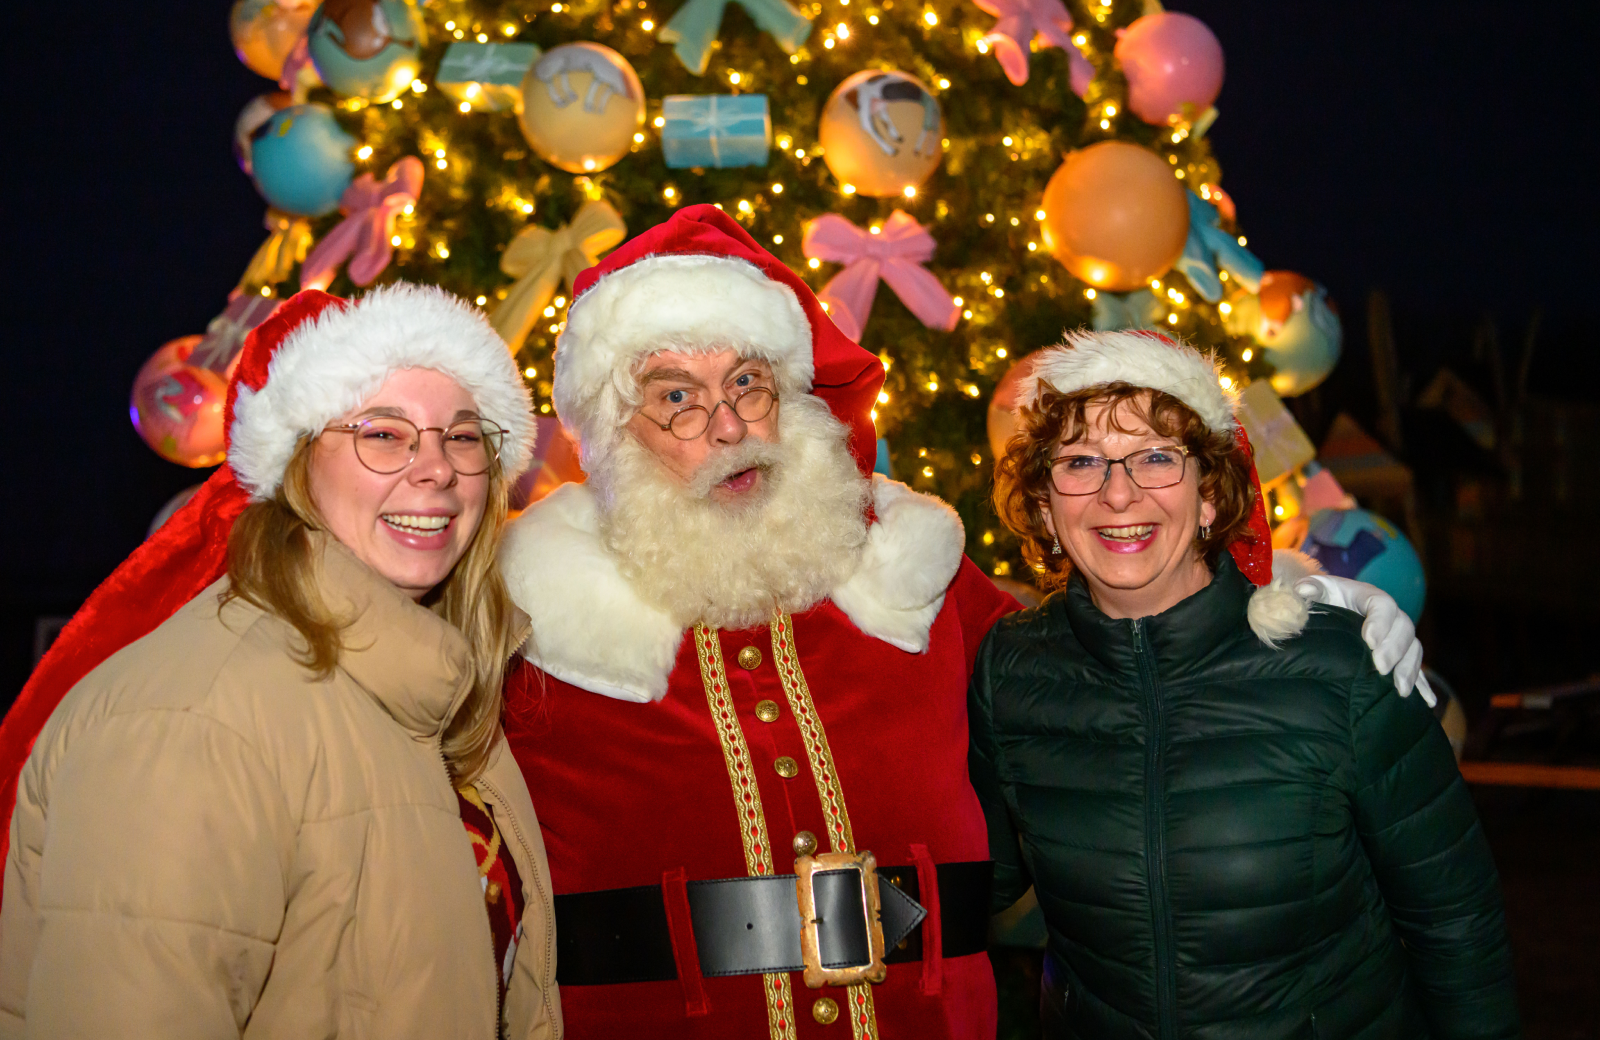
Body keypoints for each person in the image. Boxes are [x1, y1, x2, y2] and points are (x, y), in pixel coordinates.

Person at [495, 205, 1429, 1040]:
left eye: (749, 383)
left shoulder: (908, 571)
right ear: (609, 429)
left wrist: (1291, 595)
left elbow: (1116, 641)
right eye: (676, 398)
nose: (729, 426)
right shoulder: (522, 619)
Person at [0, 286, 561, 1039]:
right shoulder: (192, 722)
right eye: (383, 434)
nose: (437, 469)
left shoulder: (439, 697)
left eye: (463, 437)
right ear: (296, 466)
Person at [969, 330, 1520, 1039]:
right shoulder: (1011, 670)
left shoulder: (1340, 669)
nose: (1118, 492)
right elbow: (973, 882)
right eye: (1080, 462)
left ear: (1209, 495)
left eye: (1156, 457)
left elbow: (1457, 924)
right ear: (1046, 505)